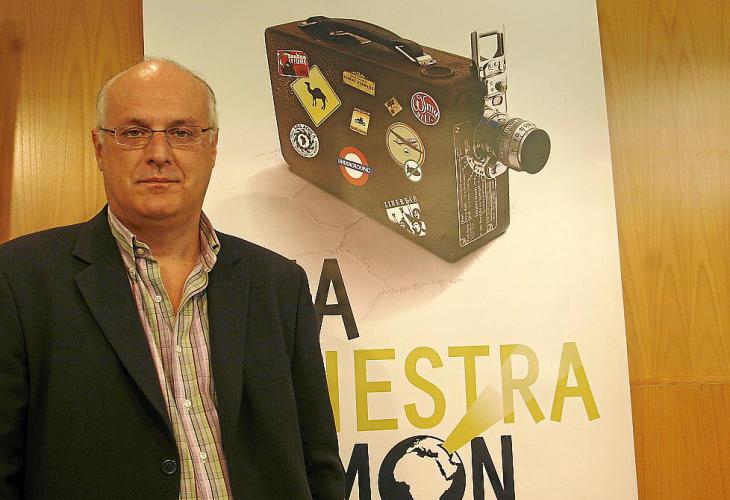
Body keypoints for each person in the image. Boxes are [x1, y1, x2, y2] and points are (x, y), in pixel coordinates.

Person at [0, 59, 344, 499]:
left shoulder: (278, 284)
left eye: (182, 132)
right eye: (133, 132)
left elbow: (319, 463)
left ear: (212, 147)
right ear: (99, 148)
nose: (159, 153)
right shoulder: (18, 281)